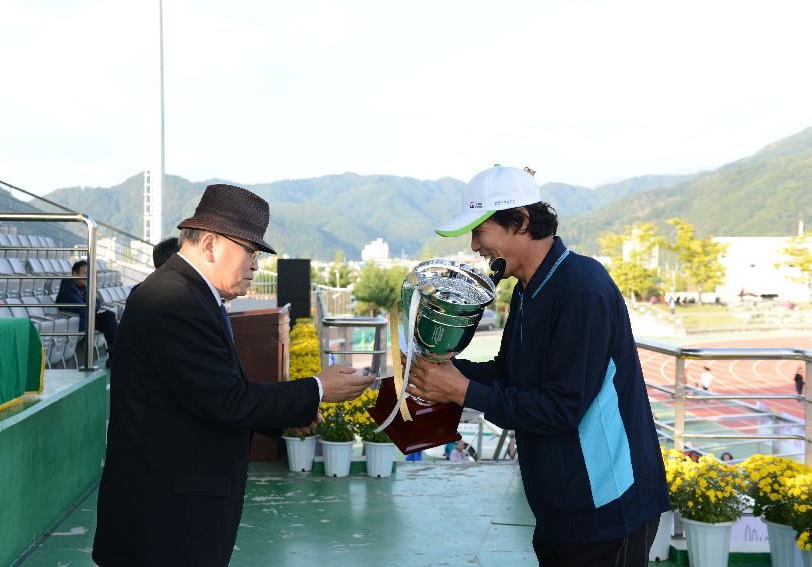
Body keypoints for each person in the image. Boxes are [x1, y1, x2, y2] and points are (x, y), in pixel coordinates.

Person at [92, 184, 373, 567]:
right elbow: (227, 401)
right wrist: (318, 388)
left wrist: (289, 417)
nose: (255, 266)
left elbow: (214, 394)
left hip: (170, 513)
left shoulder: (188, 294)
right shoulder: (175, 301)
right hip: (165, 522)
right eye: (250, 252)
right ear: (210, 245)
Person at [407, 166, 669, 566]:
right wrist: (443, 369)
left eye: (480, 230)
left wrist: (460, 390)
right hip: (560, 502)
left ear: (521, 222)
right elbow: (508, 373)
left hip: (606, 502)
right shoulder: (529, 288)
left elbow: (562, 409)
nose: (475, 245)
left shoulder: (583, 288)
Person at [56, 259, 119, 366]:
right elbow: (81, 308)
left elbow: (97, 305)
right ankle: (115, 353)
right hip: (74, 320)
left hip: (86, 317)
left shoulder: (85, 286)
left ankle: (115, 352)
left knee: (109, 316)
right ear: (74, 273)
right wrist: (93, 306)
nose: (86, 276)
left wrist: (93, 295)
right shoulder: (68, 285)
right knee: (107, 322)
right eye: (83, 273)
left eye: (88, 274)